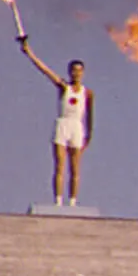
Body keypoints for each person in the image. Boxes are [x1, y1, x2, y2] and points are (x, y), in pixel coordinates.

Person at [19, 39, 94, 206]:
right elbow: (44, 70)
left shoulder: (87, 92)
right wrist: (29, 52)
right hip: (63, 124)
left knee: (75, 168)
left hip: (77, 127)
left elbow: (89, 115)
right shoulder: (63, 86)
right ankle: (58, 201)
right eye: (73, 71)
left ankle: (73, 202)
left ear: (83, 73)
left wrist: (89, 135)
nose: (76, 74)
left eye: (79, 71)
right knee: (60, 165)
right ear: (69, 72)